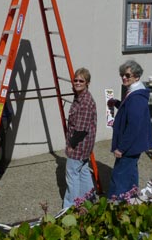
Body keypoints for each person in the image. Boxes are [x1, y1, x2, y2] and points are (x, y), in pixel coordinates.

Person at [107, 60, 152, 199]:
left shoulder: (136, 97)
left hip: (129, 146)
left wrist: (121, 148)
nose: (124, 77)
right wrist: (117, 103)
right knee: (131, 172)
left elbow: (133, 126)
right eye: (122, 75)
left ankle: (116, 206)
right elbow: (129, 111)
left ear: (137, 77)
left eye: (127, 75)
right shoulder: (134, 93)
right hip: (134, 146)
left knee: (119, 177)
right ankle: (132, 200)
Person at [63, 68, 97, 208]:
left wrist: (70, 146)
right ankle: (90, 201)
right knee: (83, 172)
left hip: (79, 146)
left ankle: (70, 207)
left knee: (72, 175)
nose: (77, 82)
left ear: (87, 83)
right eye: (75, 80)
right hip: (85, 146)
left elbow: (81, 130)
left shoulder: (85, 102)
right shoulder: (79, 97)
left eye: (81, 81)